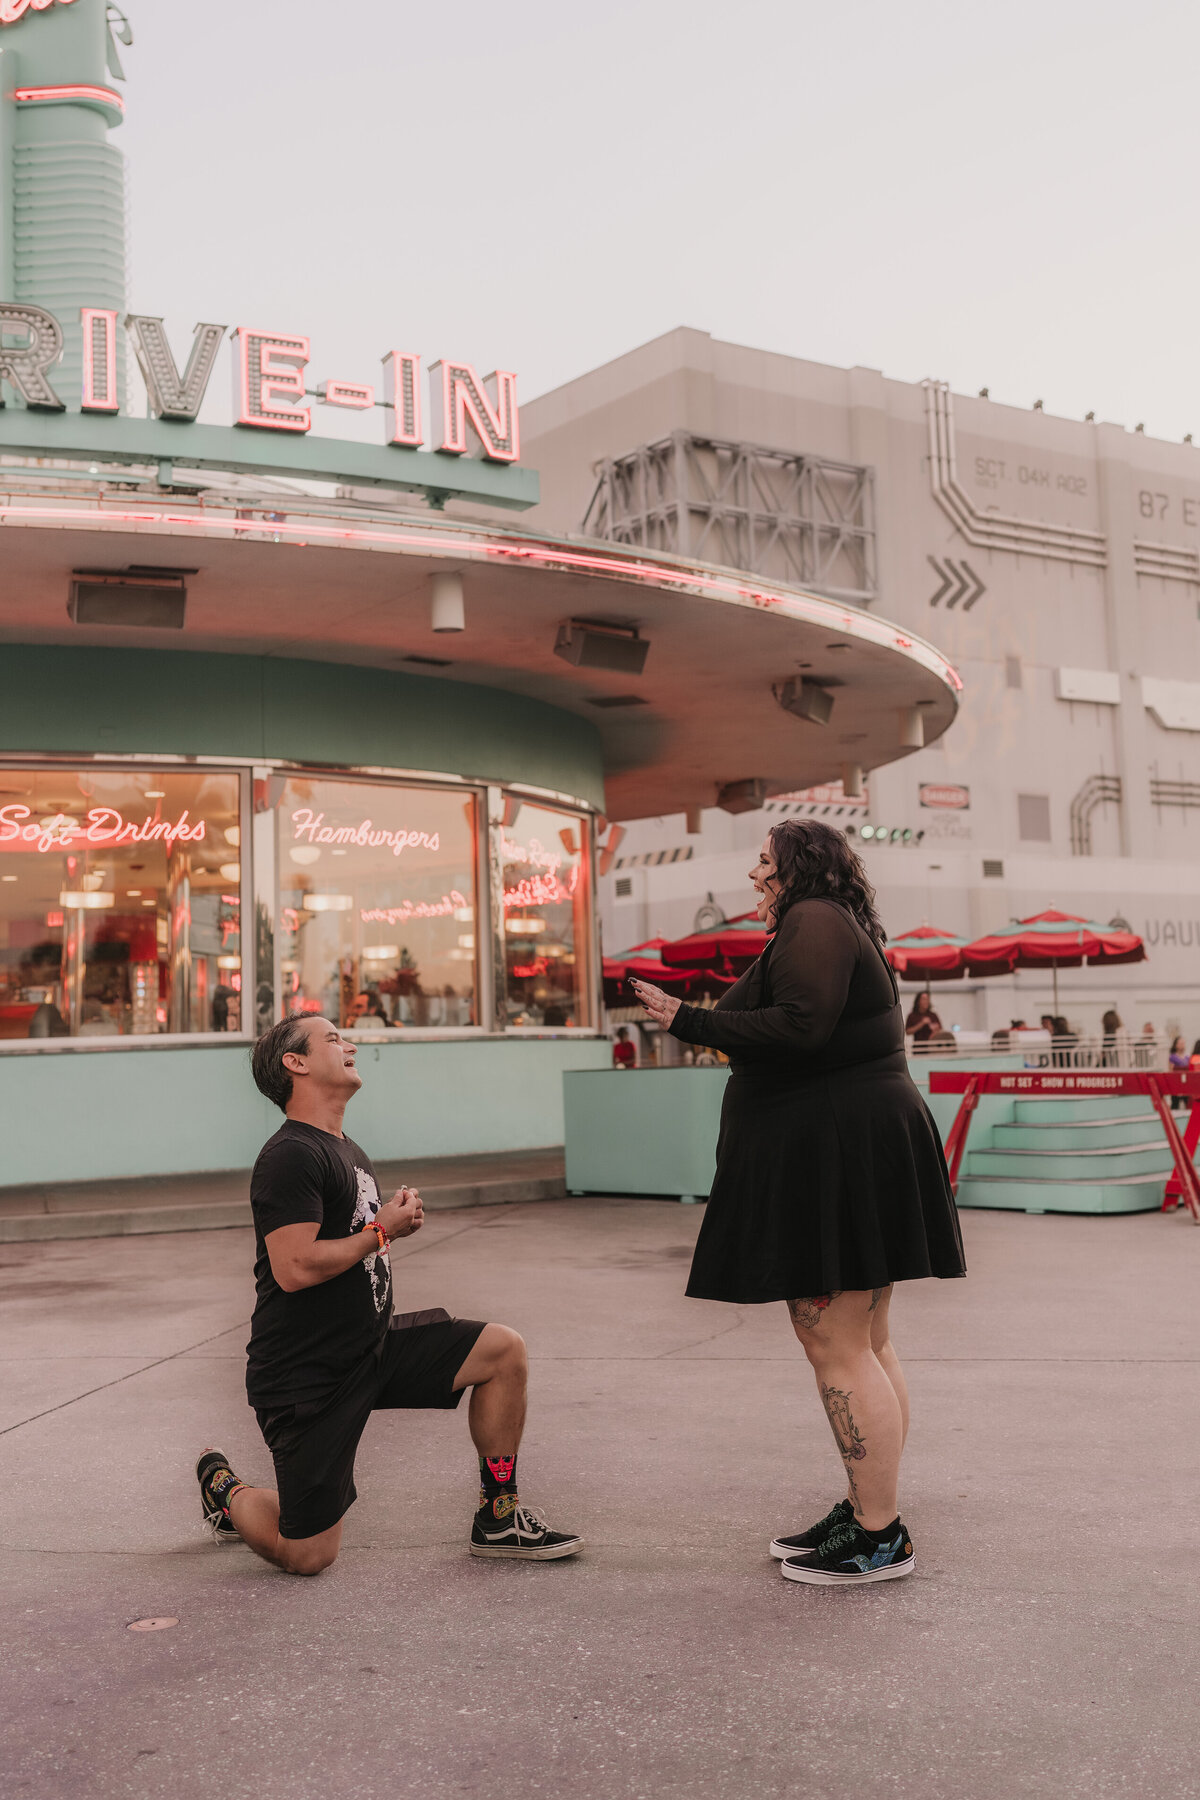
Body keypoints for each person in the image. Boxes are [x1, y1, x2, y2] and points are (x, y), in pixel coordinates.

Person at [631, 819, 964, 1589]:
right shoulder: (827, 922)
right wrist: (698, 1018)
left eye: (763, 862)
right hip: (848, 1142)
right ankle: (868, 1507)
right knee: (866, 1339)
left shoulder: (814, 919)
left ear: (799, 868)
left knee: (836, 1341)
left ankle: (880, 1534)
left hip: (837, 1148)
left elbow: (802, 1027)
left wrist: (685, 1018)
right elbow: (787, 1025)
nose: (754, 876)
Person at [194, 1014, 582, 1575]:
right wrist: (381, 1232)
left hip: (372, 1349)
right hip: (308, 1376)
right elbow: (295, 1268)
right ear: (295, 1063)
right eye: (332, 1039)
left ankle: (499, 1517)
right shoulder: (289, 1155)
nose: (349, 1045)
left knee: (503, 1352)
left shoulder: (346, 1149)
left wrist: (389, 1222)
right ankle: (225, 1489)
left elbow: (356, 1238)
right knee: (308, 1555)